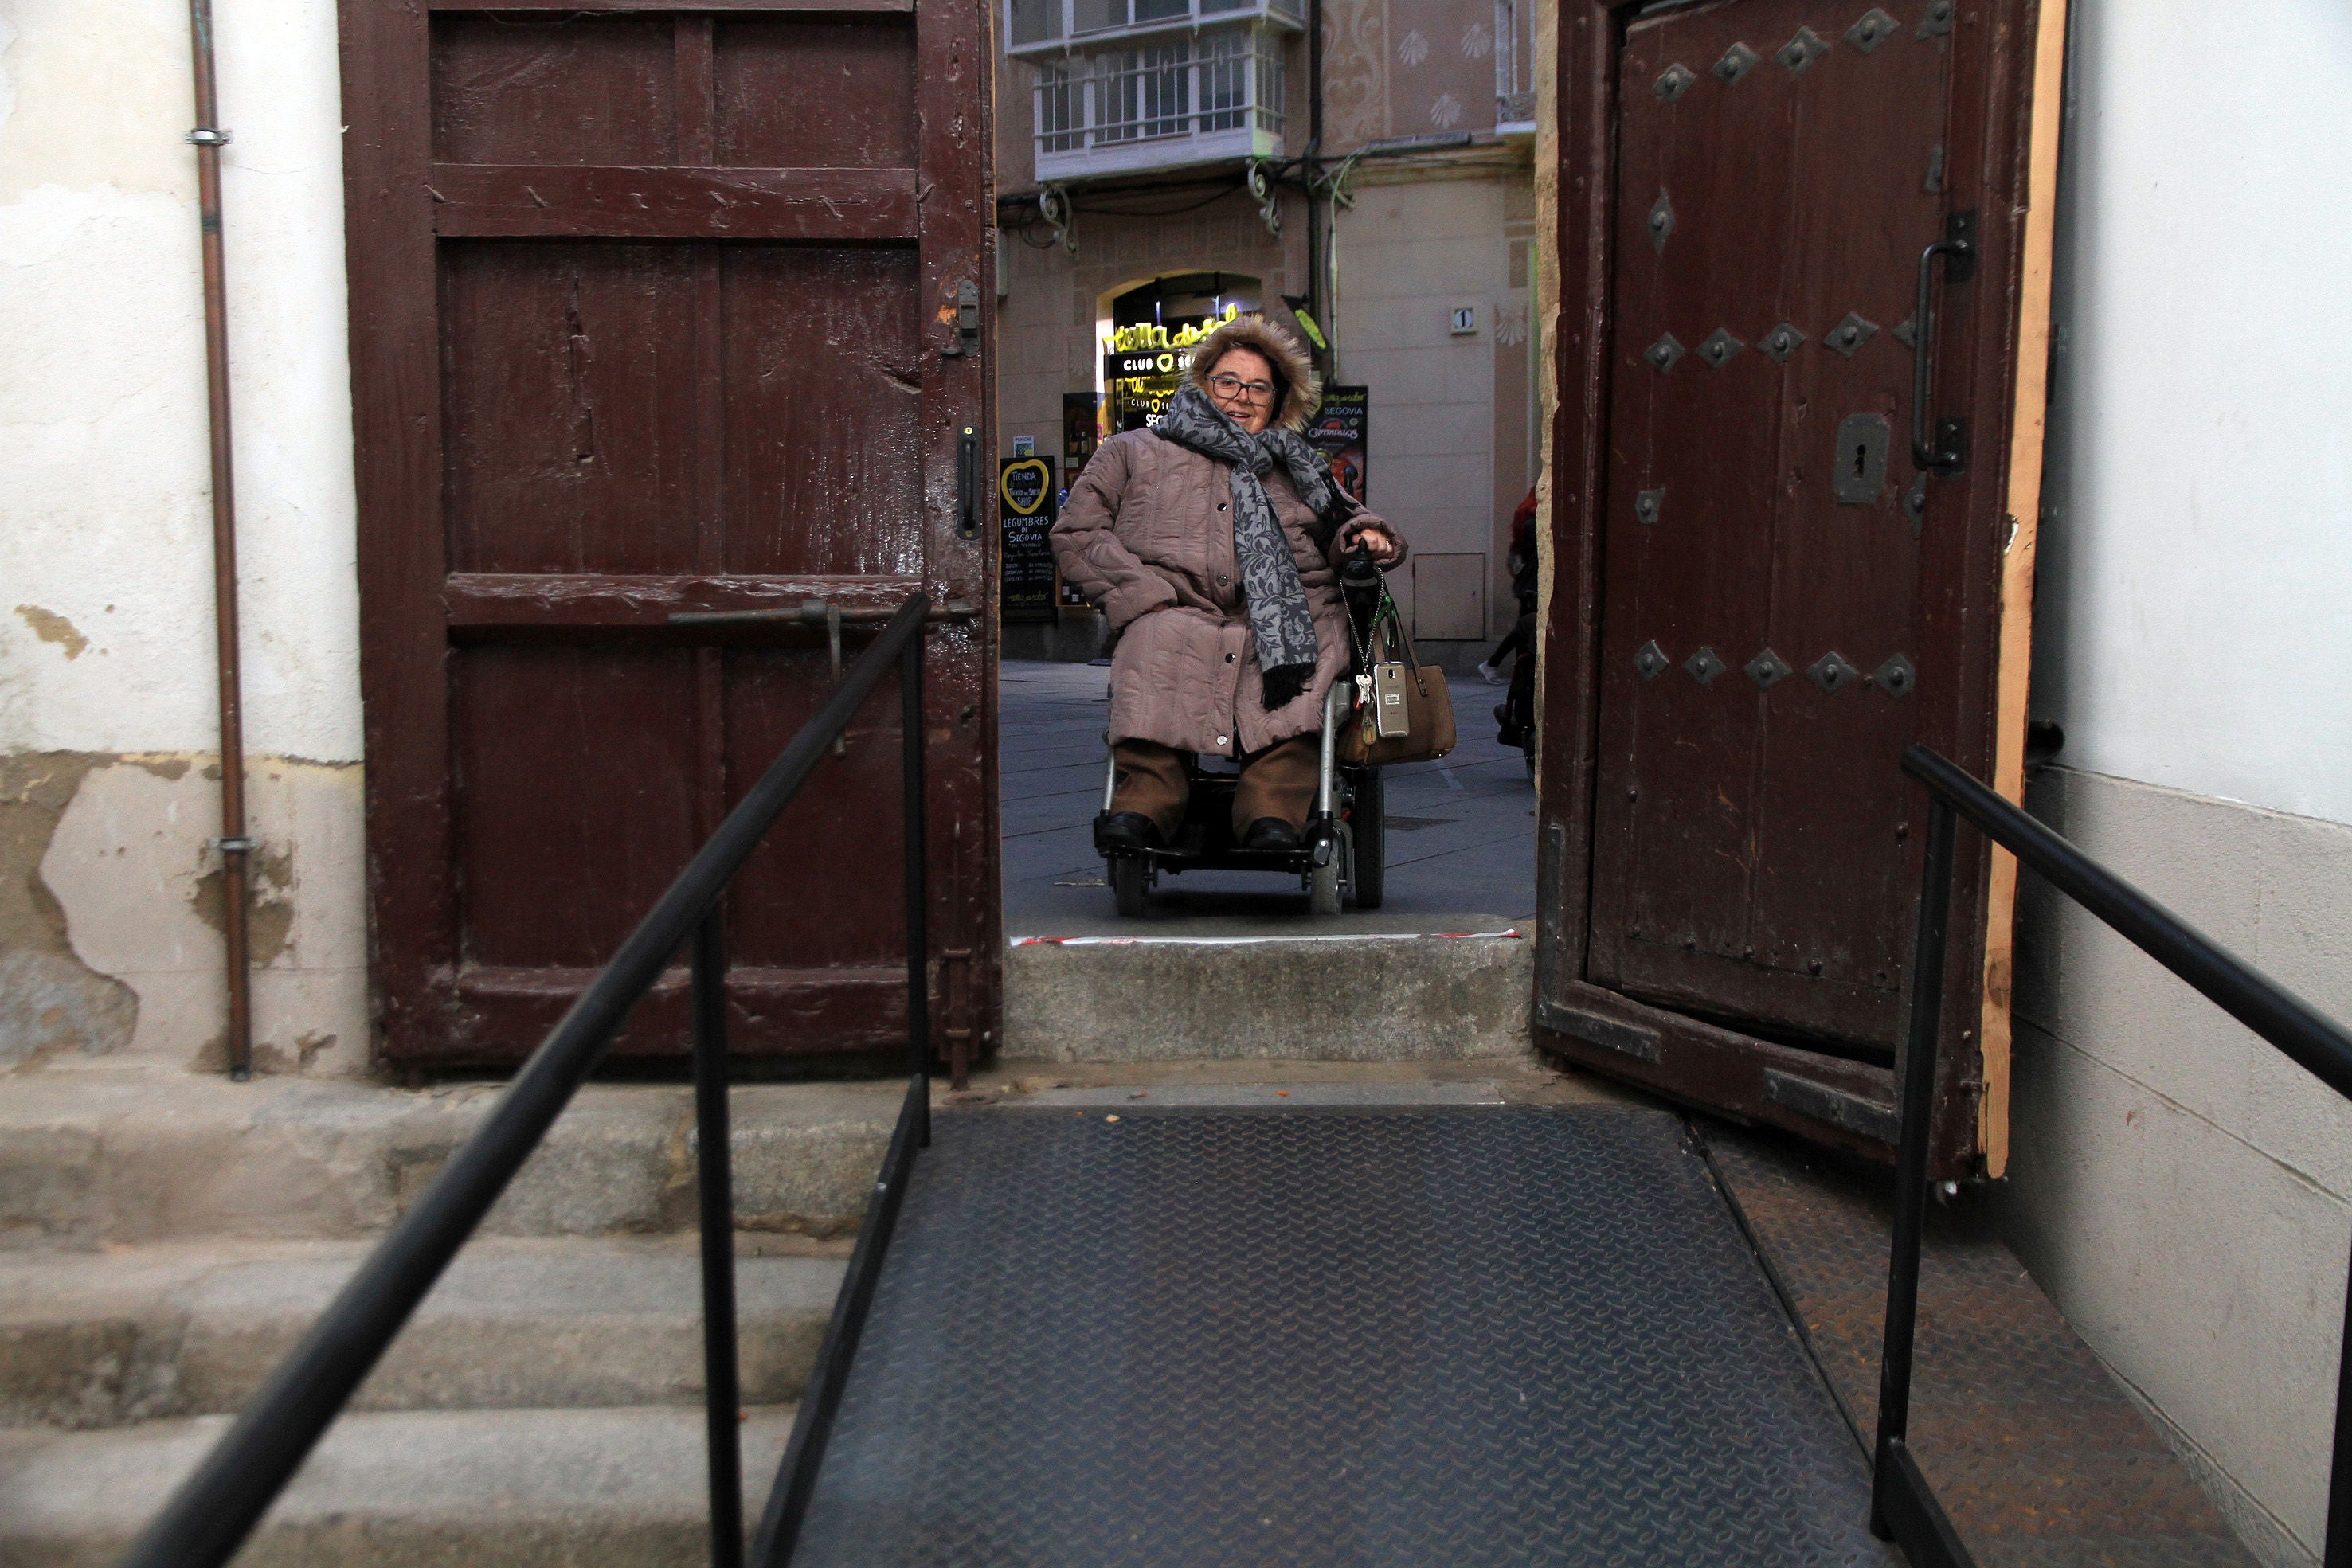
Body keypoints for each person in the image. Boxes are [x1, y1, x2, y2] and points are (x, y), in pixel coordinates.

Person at [1051, 318, 1406, 852]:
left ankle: (1273, 813)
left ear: (1277, 399)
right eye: (1227, 381)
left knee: (1308, 664)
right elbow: (1077, 532)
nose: (1241, 397)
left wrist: (1369, 537)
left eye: (1258, 387)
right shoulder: (1132, 450)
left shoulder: (1301, 464)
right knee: (1153, 644)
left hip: (1290, 614)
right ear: (1202, 384)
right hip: (1175, 606)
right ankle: (1144, 806)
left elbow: (1346, 521)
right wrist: (1141, 596)